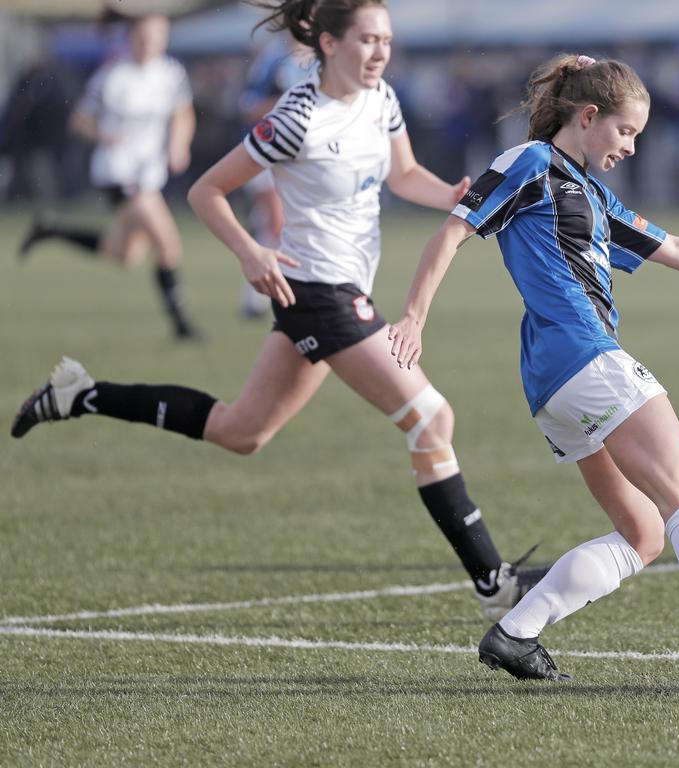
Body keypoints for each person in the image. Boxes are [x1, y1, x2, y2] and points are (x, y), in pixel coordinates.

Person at [10, 0, 543, 620]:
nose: (380, 51)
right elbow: (207, 189)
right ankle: (491, 582)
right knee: (431, 418)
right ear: (329, 43)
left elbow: (405, 176)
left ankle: (80, 394)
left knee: (243, 432)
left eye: (386, 40)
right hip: (319, 294)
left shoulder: (384, 100)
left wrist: (451, 195)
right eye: (367, 39)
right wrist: (249, 251)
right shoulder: (298, 117)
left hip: (332, 296)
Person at [388, 53, 679, 681]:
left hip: (557, 378)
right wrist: (414, 317)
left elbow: (677, 248)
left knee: (642, 533)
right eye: (627, 131)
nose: (632, 147)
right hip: (583, 356)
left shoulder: (590, 191)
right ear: (588, 116)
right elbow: (451, 231)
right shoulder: (530, 164)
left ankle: (515, 634)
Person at [17, 13, 203, 340]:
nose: (149, 42)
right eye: (144, 35)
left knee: (124, 255)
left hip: (150, 174)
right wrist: (104, 133)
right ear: (132, 37)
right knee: (168, 243)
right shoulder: (112, 76)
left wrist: (179, 144)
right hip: (118, 172)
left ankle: (51, 229)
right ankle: (183, 326)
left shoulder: (171, 73)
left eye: (157, 35)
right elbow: (79, 121)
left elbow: (183, 113)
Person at [237, 32, 313, 319]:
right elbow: (248, 107)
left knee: (279, 226)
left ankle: (258, 299)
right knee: (277, 223)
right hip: (269, 152)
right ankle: (276, 297)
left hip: (307, 158)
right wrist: (290, 104)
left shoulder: (325, 57)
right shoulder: (272, 60)